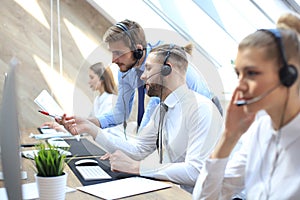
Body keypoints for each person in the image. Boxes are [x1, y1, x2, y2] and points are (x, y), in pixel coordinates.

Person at [62, 43, 223, 193]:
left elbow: (196, 172)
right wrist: (92, 129)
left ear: (167, 70)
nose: (143, 77)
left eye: (148, 69)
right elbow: (137, 150)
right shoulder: (162, 111)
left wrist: (137, 168)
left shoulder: (201, 108)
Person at [192, 28, 300, 199]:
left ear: (289, 75)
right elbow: (207, 197)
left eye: (251, 73)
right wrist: (229, 137)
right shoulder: (259, 131)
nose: (240, 86)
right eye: (238, 74)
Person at [83, 19, 223, 132]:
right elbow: (121, 113)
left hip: (204, 117)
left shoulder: (162, 63)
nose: (113, 60)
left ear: (137, 50)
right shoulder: (125, 72)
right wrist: (88, 123)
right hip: (179, 123)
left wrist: (134, 148)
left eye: (118, 53)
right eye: (112, 52)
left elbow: (152, 114)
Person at [41, 62, 117, 132]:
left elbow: (98, 129)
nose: (89, 81)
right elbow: (87, 125)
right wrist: (60, 127)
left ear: (101, 79)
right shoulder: (98, 99)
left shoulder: (110, 100)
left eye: (92, 77)